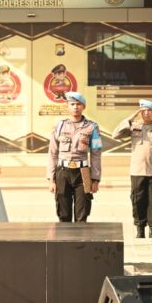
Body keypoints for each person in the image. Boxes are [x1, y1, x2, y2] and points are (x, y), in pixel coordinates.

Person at [112, 98, 152, 238]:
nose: (146, 113)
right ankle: (140, 229)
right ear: (140, 111)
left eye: (149, 110)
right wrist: (131, 117)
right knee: (137, 200)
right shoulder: (133, 126)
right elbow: (115, 134)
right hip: (137, 171)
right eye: (143, 110)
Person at [47, 91, 102, 222]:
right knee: (63, 214)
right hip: (62, 172)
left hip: (83, 173)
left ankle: (81, 236)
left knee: (82, 214)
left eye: (78, 104)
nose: (75, 107)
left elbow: (96, 154)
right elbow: (53, 153)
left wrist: (95, 179)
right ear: (67, 106)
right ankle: (65, 236)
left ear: (83, 107)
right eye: (72, 104)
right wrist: (51, 179)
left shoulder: (92, 127)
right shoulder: (59, 126)